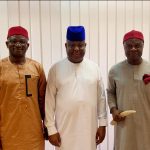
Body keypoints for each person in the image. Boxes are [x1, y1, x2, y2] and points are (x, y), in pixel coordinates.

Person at [44, 26, 107, 150]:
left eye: (80, 45)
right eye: (72, 45)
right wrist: (51, 129)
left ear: (85, 45)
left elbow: (101, 99)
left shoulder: (94, 68)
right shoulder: (55, 69)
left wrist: (102, 124)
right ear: (65, 45)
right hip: (64, 130)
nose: (76, 49)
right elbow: (49, 102)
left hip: (89, 129)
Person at [0, 26, 47, 150]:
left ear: (27, 45)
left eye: (22, 41)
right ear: (7, 44)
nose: (18, 45)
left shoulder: (37, 68)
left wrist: (47, 125)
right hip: (8, 134)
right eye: (13, 41)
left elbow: (43, 100)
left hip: (34, 134)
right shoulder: (0, 68)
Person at [107, 30, 150, 150]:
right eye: (129, 46)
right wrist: (113, 109)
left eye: (137, 45)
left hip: (146, 126)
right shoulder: (114, 71)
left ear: (143, 46)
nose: (133, 49)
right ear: (123, 47)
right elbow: (110, 92)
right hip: (124, 127)